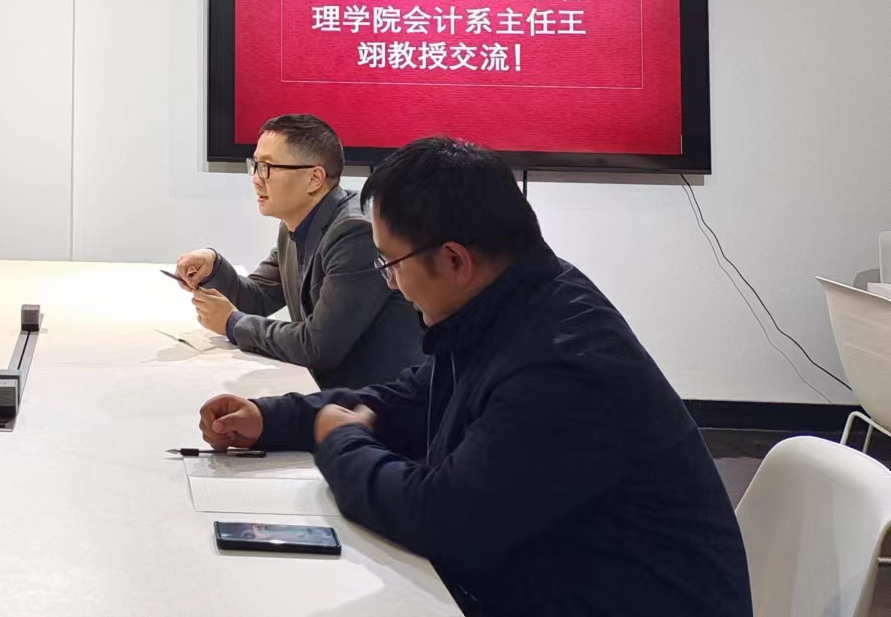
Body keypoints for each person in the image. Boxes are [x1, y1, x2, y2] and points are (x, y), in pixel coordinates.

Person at [197, 136, 751, 617]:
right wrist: (277, 418)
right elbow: (416, 397)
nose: (393, 285)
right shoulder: (516, 297)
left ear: (456, 260)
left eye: (392, 265)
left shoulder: (563, 363)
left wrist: (340, 443)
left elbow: (440, 519)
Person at [175, 114, 422, 388]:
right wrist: (214, 267)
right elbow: (258, 299)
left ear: (314, 178)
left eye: (267, 167)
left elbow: (319, 345)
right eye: (255, 165)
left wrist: (234, 323)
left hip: (371, 401)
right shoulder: (295, 224)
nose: (256, 179)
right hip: (326, 392)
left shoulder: (355, 233)